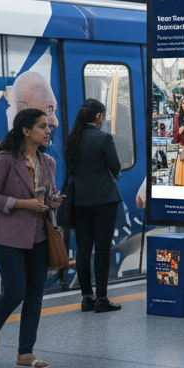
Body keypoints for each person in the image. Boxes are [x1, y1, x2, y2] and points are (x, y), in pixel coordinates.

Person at [0, 108, 61, 368]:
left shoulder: (48, 162)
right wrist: (24, 203)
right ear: (26, 131)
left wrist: (53, 202)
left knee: (35, 295)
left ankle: (25, 353)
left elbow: (47, 195)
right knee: (16, 291)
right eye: (42, 126)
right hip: (7, 237)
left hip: (38, 236)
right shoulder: (4, 160)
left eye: (48, 126)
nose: (48, 131)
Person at [65, 98, 123, 313]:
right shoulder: (103, 138)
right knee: (102, 248)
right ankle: (102, 299)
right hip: (104, 200)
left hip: (80, 201)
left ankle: (86, 297)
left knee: (83, 248)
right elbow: (115, 167)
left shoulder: (73, 139)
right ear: (99, 116)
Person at [5, 70, 60, 149]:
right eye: (49, 109)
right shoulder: (4, 159)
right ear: (21, 110)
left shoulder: (46, 159)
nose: (55, 122)